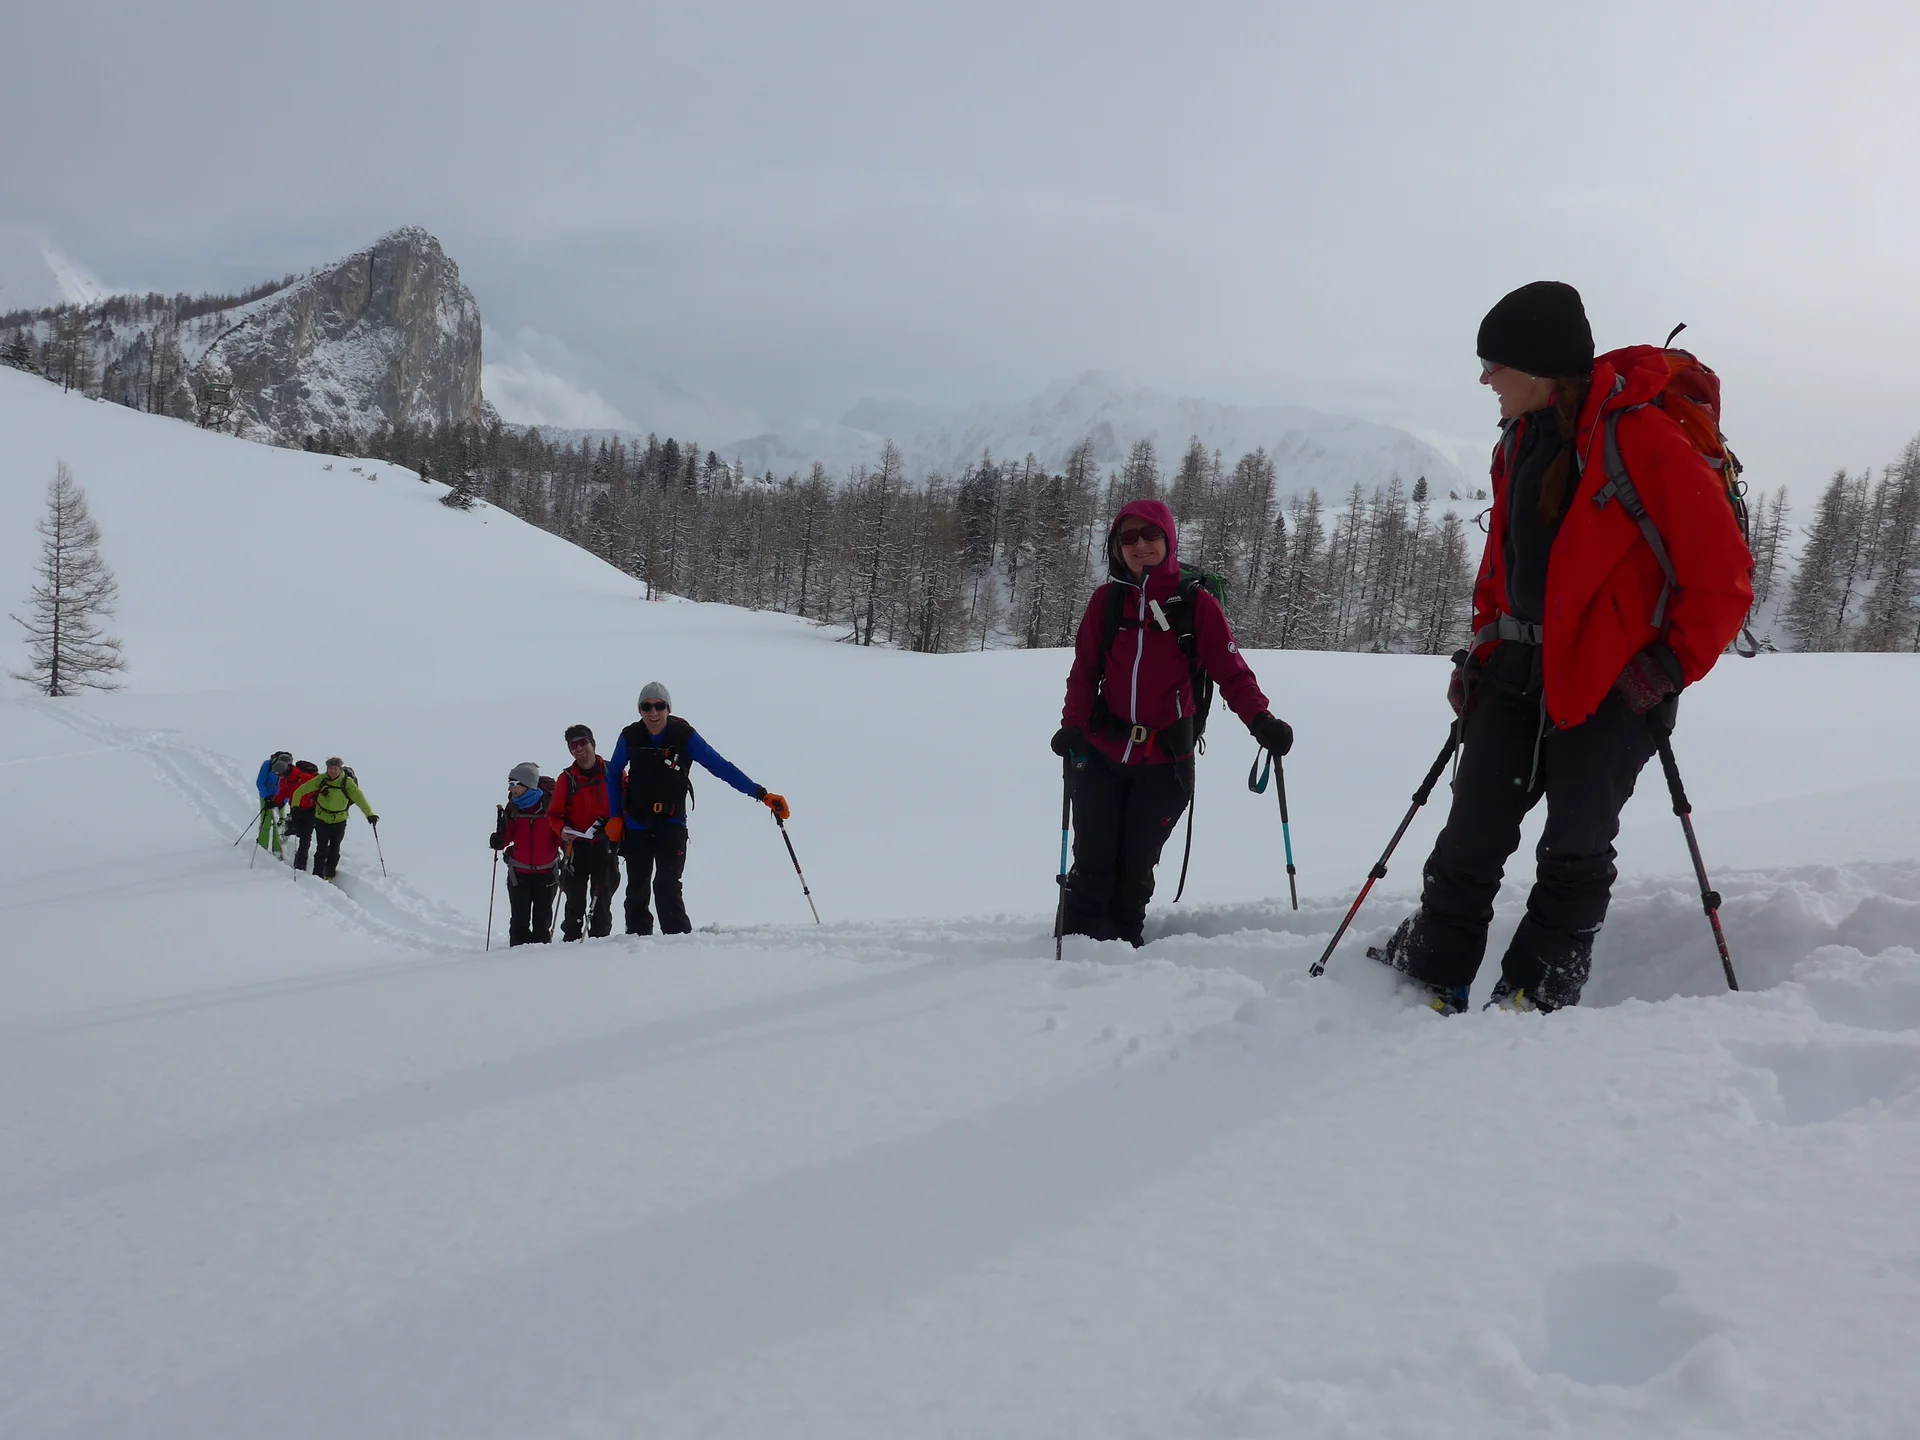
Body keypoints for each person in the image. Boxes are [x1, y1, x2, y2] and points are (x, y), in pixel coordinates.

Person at [1374, 281, 1753, 1013]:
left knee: (1575, 845)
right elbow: (1501, 571)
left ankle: (1537, 985)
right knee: (1472, 831)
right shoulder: (1515, 442)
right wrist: (1481, 651)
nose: (1484, 378)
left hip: (1616, 680)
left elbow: (1723, 577)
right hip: (1515, 669)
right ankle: (1434, 965)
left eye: (1494, 364)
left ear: (1538, 367)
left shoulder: (1640, 437)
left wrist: (1667, 667)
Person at [1053, 498, 1294, 946]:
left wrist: (1261, 720)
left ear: (1169, 540)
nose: (1140, 545)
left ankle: (1121, 958)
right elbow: (1085, 670)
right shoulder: (1107, 602)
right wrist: (1072, 724)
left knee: (1135, 870)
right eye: (1128, 537)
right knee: (1091, 863)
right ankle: (1068, 954)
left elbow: (1231, 672)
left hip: (1166, 761)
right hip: (1103, 752)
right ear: (1116, 547)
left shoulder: (1196, 606)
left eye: (1150, 535)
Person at [603, 682, 788, 935]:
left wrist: (760, 793)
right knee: (637, 886)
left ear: (669, 708)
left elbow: (720, 766)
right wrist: (615, 817)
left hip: (671, 822)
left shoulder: (684, 735)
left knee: (667, 885)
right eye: (647, 707)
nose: (653, 713)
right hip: (637, 821)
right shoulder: (630, 735)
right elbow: (613, 774)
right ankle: (637, 943)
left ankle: (679, 943)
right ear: (640, 710)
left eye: (659, 706)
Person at [552, 724, 620, 941]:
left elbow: (626, 801)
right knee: (574, 901)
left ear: (592, 743)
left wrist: (618, 824)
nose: (578, 749)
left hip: (606, 845)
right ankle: (571, 943)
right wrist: (562, 830)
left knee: (602, 899)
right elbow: (553, 814)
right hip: (577, 847)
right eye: (573, 745)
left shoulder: (612, 772)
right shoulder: (566, 779)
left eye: (582, 743)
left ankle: (600, 944)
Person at [490, 762, 560, 945]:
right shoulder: (512, 808)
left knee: (542, 922)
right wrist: (498, 840)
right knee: (519, 922)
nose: (510, 789)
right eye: (509, 784)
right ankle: (516, 965)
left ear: (527, 784)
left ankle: (541, 964)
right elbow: (504, 840)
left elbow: (560, 835)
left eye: (514, 784)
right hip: (519, 874)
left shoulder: (549, 807)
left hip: (546, 874)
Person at [290, 757, 378, 882]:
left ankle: (329, 874)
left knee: (334, 848)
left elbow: (359, 798)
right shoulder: (321, 779)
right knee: (321, 848)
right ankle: (317, 876)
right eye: (330, 768)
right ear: (327, 769)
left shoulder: (347, 782)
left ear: (340, 769)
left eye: (335, 768)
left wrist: (369, 814)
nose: (333, 771)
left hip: (339, 821)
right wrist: (295, 806)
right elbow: (300, 791)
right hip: (321, 819)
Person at [283, 759, 322, 871]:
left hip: (304, 810)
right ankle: (300, 863)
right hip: (303, 809)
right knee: (304, 836)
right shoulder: (291, 779)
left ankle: (300, 863)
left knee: (303, 835)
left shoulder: (301, 777)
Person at [254, 751, 295, 853]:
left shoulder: (290, 769)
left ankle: (277, 849)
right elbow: (260, 782)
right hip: (266, 795)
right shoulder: (267, 765)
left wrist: (283, 801)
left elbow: (289, 787)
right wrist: (266, 797)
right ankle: (262, 848)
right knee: (265, 822)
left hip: (280, 798)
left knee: (279, 823)